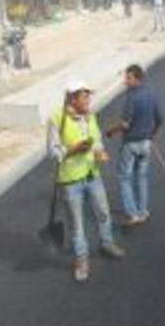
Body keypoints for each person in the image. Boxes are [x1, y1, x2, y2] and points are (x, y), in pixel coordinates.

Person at [47, 81, 125, 283]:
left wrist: (100, 151)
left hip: (92, 174)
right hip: (71, 180)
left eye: (89, 96)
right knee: (77, 225)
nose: (89, 100)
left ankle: (106, 243)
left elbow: (97, 139)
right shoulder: (57, 118)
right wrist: (72, 150)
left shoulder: (90, 115)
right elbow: (52, 152)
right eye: (84, 97)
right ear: (72, 99)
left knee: (103, 212)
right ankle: (81, 260)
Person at [107, 65, 164, 227]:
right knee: (141, 177)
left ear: (137, 79)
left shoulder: (132, 98)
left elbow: (125, 124)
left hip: (131, 144)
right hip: (146, 144)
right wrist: (152, 135)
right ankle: (143, 211)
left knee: (124, 177)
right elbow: (160, 119)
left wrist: (111, 131)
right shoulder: (152, 95)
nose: (125, 81)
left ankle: (133, 214)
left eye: (128, 78)